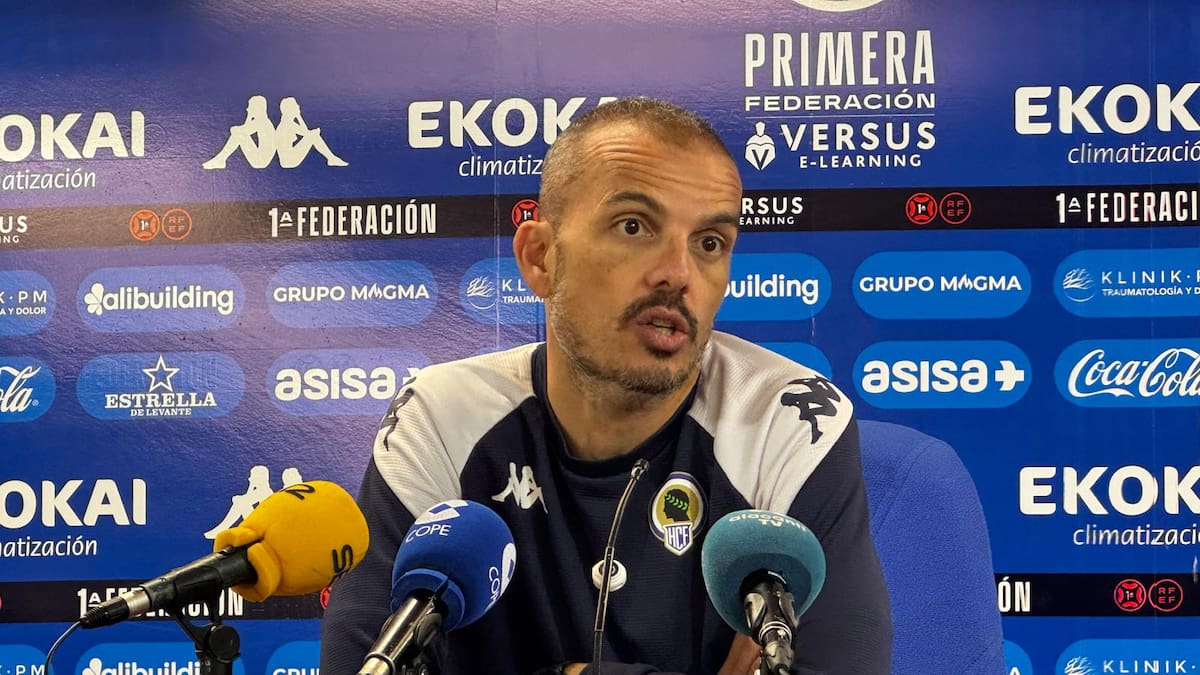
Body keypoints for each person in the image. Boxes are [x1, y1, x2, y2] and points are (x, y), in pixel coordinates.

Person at [321, 97, 891, 675]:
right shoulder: (441, 419)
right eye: (634, 226)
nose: (678, 272)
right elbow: (360, 663)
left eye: (710, 242)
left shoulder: (789, 421)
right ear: (541, 258)